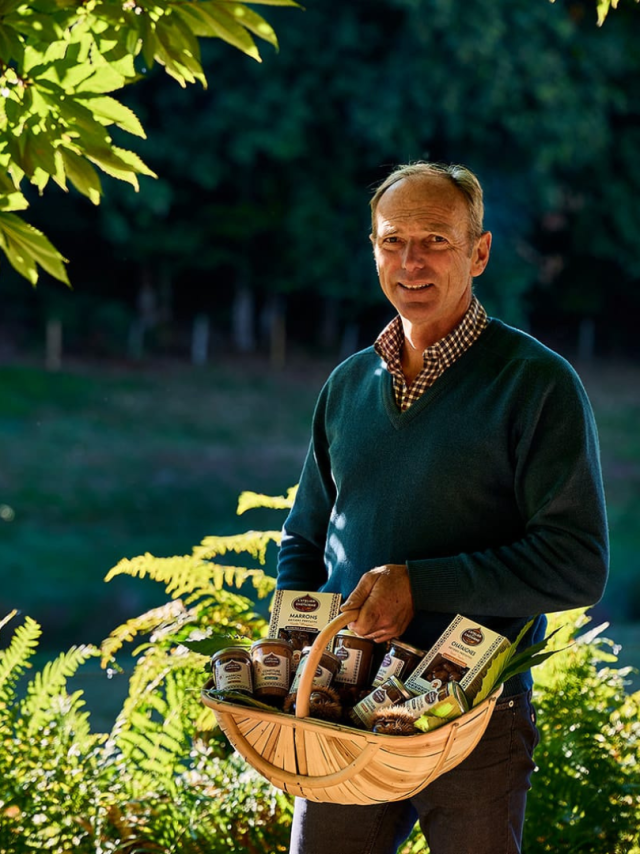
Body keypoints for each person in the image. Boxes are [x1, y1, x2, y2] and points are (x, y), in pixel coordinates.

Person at [276, 162, 609, 854]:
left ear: (479, 252)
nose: (411, 262)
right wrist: (291, 668)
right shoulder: (347, 385)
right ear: (372, 248)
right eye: (393, 241)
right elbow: (305, 541)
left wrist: (417, 582)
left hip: (476, 720)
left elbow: (577, 567)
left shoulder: (537, 384)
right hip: (345, 716)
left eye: (435, 240)